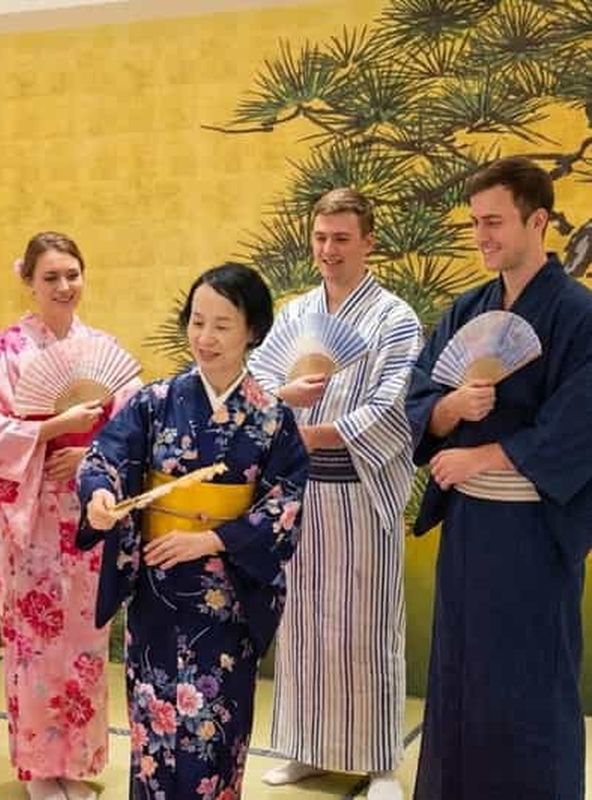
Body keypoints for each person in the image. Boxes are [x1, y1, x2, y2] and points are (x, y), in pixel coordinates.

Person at [77, 262, 308, 800]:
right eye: (197, 321)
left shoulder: (272, 418)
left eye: (222, 325)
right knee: (154, 735)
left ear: (252, 330)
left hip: (224, 602)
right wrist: (100, 496)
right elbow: (105, 456)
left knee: (215, 736)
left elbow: (285, 502)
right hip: (158, 594)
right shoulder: (155, 403)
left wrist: (211, 540)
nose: (205, 338)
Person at [406, 156, 592, 799]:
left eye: (494, 222)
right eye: (475, 223)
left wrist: (480, 457)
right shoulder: (467, 309)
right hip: (470, 528)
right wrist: (450, 409)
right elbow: (420, 395)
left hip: (534, 531)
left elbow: (579, 424)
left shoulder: (578, 315)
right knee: (461, 677)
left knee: (534, 676)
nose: (482, 236)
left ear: (537, 220)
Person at [250, 188, 422, 799]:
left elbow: (391, 405)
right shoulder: (296, 315)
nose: (329, 250)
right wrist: (281, 425)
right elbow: (262, 383)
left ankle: (380, 763)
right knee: (301, 623)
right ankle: (303, 746)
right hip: (300, 494)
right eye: (321, 237)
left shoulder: (394, 318)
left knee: (367, 626)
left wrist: (313, 433)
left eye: (342, 238)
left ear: (368, 242)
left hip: (359, 489)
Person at [0, 231, 137, 800]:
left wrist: (90, 453)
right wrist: (48, 431)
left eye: (72, 274)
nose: (64, 287)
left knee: (86, 643)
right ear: (29, 282)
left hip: (89, 516)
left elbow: (135, 434)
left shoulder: (101, 349)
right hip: (31, 522)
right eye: (51, 277)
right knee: (34, 648)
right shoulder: (7, 351)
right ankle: (40, 767)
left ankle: (79, 762)